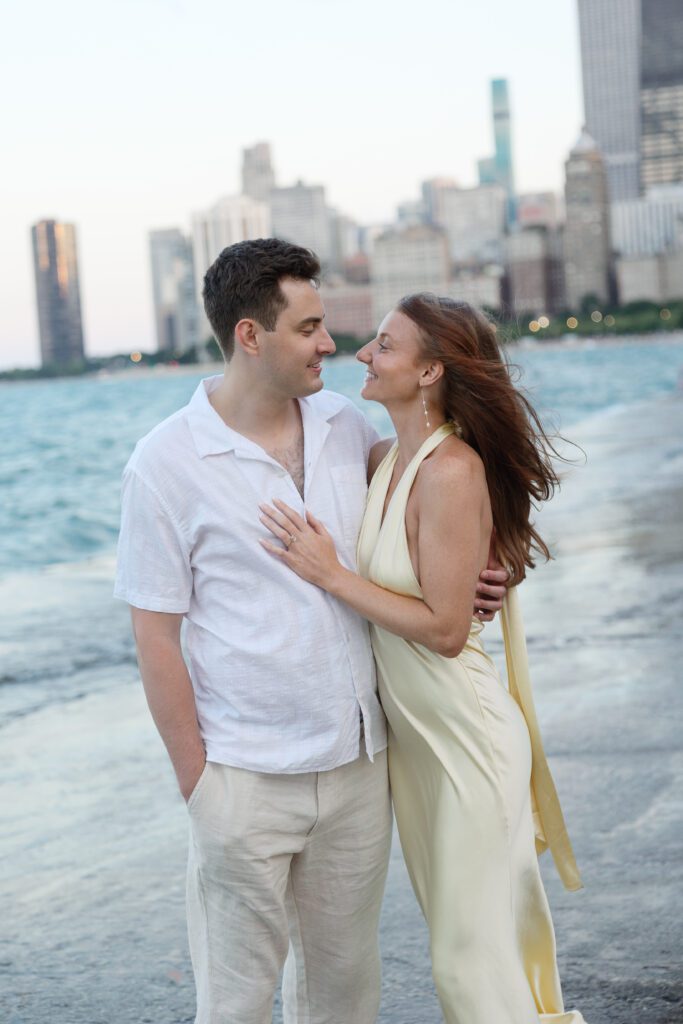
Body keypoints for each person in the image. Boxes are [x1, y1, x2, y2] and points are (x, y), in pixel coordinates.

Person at [114, 239, 507, 1024]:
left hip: (358, 768)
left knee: (345, 1000)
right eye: (310, 327)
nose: (331, 343)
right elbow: (155, 635)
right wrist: (200, 784)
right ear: (250, 336)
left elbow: (421, 511)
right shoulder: (164, 462)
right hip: (244, 779)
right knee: (235, 1005)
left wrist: (480, 575)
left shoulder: (339, 425)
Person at [260, 292, 586, 1023]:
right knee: (472, 948)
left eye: (383, 346)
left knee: (466, 961)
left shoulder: (449, 469)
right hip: (418, 748)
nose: (361, 356)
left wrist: (329, 573)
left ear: (430, 370)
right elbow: (465, 561)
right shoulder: (385, 459)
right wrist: (496, 563)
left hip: (464, 737)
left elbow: (443, 630)